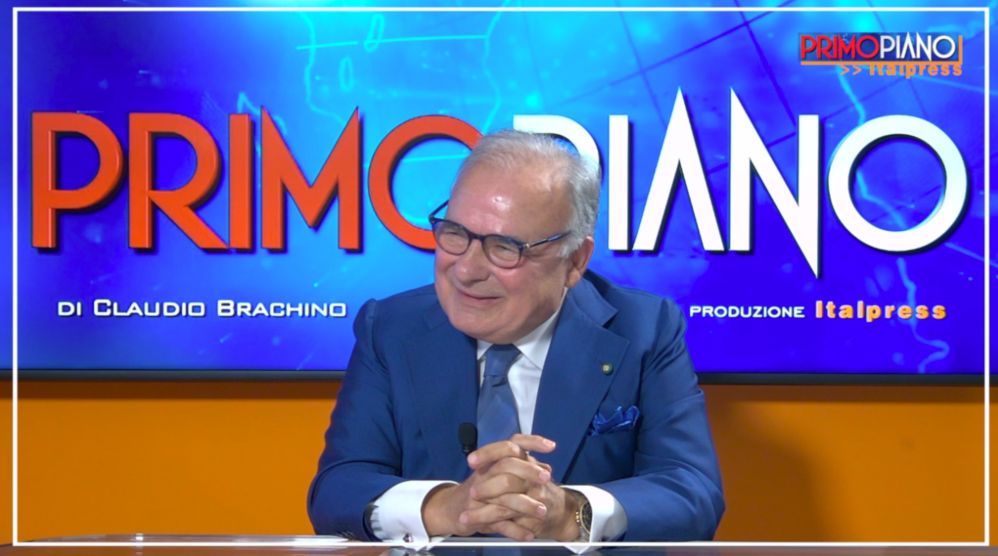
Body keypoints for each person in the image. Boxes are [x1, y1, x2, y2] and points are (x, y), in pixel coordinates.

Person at [307, 130, 724, 545]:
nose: (466, 270)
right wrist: (445, 506)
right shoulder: (392, 327)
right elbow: (338, 489)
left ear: (574, 261)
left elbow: (692, 491)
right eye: (455, 234)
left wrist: (570, 513)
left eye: (505, 247)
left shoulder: (644, 328)